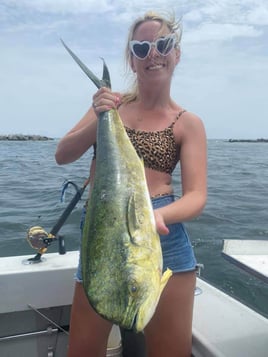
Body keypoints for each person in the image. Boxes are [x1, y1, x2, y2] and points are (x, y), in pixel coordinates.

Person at [55, 11, 207, 357]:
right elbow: (62, 155)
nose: (153, 54)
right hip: (104, 230)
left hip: (162, 236)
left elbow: (197, 196)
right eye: (141, 48)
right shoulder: (110, 106)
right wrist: (102, 117)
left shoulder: (188, 122)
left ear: (176, 53)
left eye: (163, 44)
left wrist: (157, 219)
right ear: (132, 59)